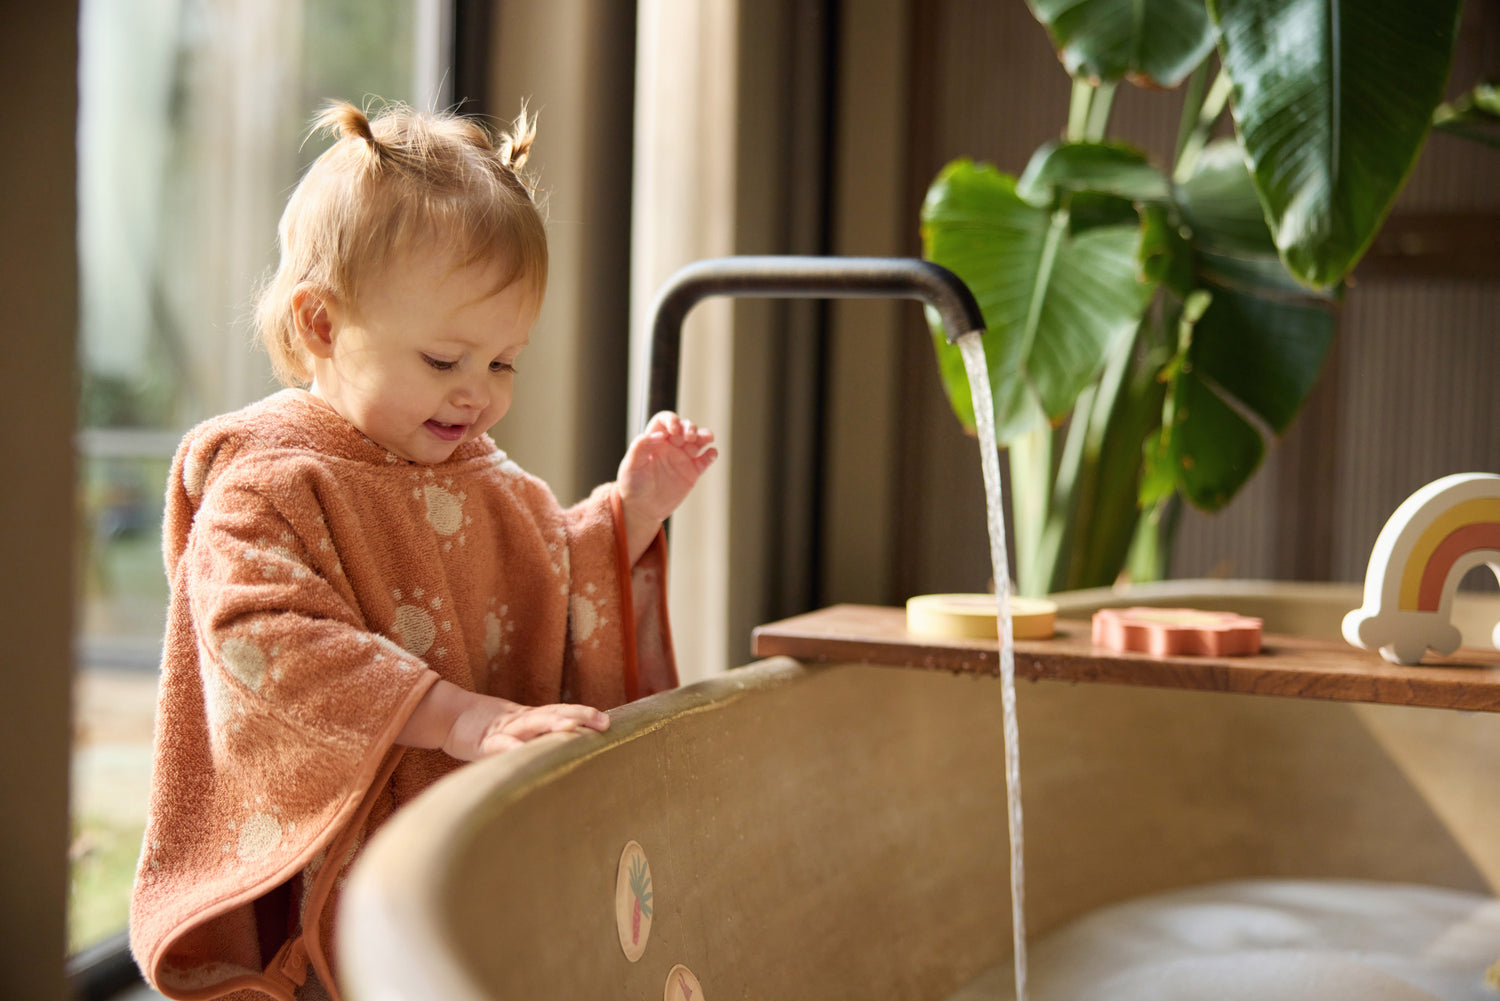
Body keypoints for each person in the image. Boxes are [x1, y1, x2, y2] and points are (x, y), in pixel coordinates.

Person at [129, 100, 716, 1001]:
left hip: (462, 851)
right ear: (321, 326)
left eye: (504, 362)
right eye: (445, 360)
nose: (479, 394)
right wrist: (454, 716)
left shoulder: (477, 474)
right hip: (341, 868)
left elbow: (548, 572)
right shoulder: (267, 484)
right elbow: (261, 640)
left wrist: (628, 515)